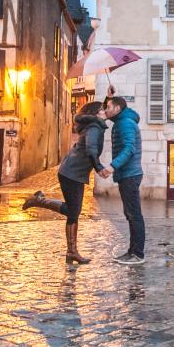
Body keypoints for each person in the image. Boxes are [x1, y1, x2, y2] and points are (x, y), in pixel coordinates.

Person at [22, 101, 108, 264]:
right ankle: (40, 201)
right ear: (96, 113)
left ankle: (71, 252)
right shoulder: (95, 128)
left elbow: (99, 113)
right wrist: (99, 167)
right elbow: (91, 149)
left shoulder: (91, 124)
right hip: (72, 173)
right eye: (103, 109)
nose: (105, 112)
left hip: (71, 172)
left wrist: (107, 98)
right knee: (73, 211)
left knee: (73, 211)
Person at [100, 96, 145, 265]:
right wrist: (108, 96)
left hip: (130, 174)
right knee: (130, 214)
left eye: (109, 107)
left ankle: (138, 254)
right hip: (128, 174)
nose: (106, 110)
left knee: (134, 215)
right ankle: (132, 251)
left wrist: (112, 167)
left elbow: (129, 149)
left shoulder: (125, 123)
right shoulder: (122, 120)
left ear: (118, 109)